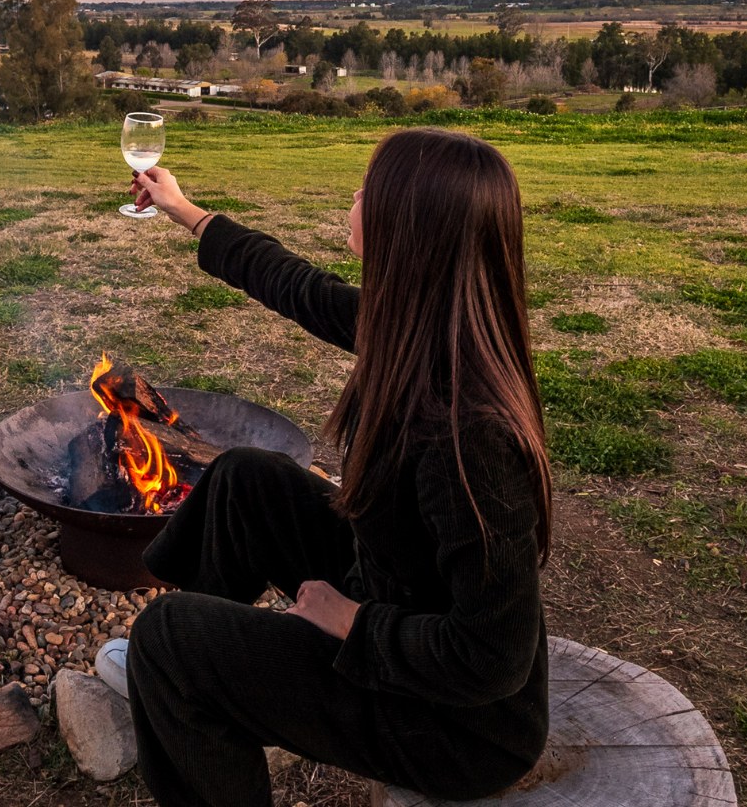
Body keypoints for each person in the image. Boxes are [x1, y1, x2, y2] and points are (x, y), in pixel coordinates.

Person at [96, 128, 551, 806]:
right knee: (247, 479)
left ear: (409, 229)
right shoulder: (415, 326)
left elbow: (493, 656)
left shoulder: (471, 433)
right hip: (395, 600)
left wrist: (351, 622)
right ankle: (203, 669)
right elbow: (295, 284)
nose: (355, 197)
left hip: (457, 728)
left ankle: (182, 665)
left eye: (371, 190)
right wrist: (187, 212)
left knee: (165, 638)